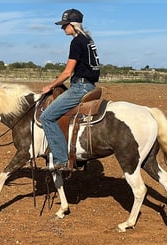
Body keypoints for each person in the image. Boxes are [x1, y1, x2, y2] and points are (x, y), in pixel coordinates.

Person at [40, 8, 100, 170]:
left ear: (72, 25)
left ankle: (61, 159)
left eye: (64, 25)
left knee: (47, 117)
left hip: (80, 86)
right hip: (90, 85)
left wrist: (50, 86)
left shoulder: (76, 42)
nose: (62, 28)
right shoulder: (88, 40)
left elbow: (67, 72)